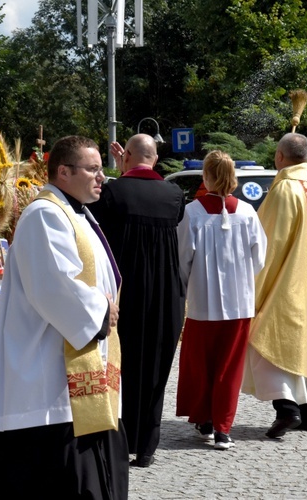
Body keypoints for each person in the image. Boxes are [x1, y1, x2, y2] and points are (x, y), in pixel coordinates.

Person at [0, 135, 128, 499]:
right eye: (93, 169)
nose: (102, 177)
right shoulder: (45, 215)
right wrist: (101, 310)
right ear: (64, 171)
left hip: (72, 359)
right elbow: (53, 285)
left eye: (102, 169)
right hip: (45, 367)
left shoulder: (76, 213)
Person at [89, 133, 185, 467]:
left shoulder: (114, 191)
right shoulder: (174, 194)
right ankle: (147, 446)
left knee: (120, 362)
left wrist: (118, 171)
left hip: (125, 293)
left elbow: (98, 218)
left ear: (126, 155)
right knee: (156, 367)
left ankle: (119, 437)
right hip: (164, 296)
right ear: (155, 159)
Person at [242, 132, 307, 438]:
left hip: (290, 279)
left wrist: (254, 288)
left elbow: (270, 243)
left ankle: (287, 409)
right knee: (306, 344)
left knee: (266, 339)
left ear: (280, 156)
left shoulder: (285, 188)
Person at [175, 151, 267, 450]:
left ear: (207, 177)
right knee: (230, 367)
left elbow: (182, 258)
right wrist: (239, 279)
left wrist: (187, 286)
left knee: (201, 364)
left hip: (203, 303)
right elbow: (259, 258)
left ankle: (205, 420)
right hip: (239, 304)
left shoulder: (193, 212)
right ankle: (223, 428)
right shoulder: (248, 212)